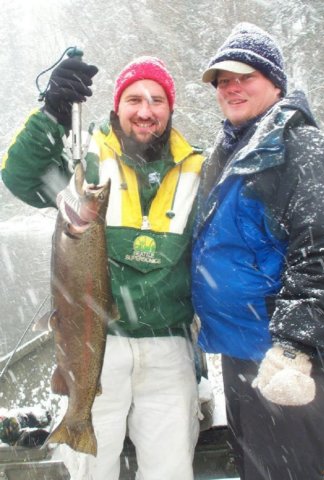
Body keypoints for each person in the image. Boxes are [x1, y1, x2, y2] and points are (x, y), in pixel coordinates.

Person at [2, 55, 204, 479]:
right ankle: (76, 424)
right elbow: (19, 174)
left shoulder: (197, 169)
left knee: (171, 470)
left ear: (170, 109)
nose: (145, 111)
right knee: (90, 470)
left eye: (157, 100)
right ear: (117, 106)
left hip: (169, 348)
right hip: (95, 345)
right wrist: (52, 114)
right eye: (134, 99)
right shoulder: (87, 160)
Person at [192, 22, 324, 480]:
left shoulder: (298, 146)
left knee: (289, 472)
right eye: (222, 81)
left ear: (275, 82)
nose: (231, 88)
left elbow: (318, 249)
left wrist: (295, 346)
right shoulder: (232, 148)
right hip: (241, 352)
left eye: (243, 77)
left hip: (282, 361)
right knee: (254, 468)